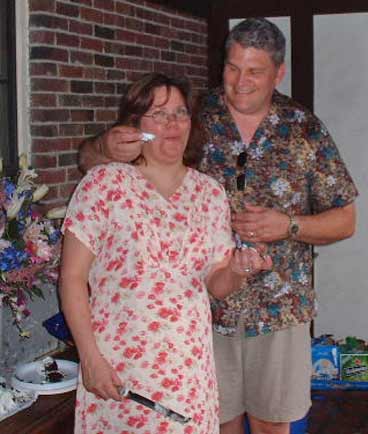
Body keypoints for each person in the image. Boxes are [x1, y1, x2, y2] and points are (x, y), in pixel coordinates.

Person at [79, 18, 358, 434]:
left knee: (271, 426)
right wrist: (103, 146)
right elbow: (94, 162)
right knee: (214, 424)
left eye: (254, 70)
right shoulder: (190, 114)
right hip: (198, 317)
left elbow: (346, 219)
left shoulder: (305, 128)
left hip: (278, 309)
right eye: (232, 67)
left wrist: (289, 226)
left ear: (278, 72)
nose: (240, 81)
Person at [60, 72, 272, 434]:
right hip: (118, 370)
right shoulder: (104, 183)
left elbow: (217, 284)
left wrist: (239, 270)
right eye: (159, 114)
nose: (172, 123)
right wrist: (90, 358)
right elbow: (72, 277)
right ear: (134, 125)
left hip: (188, 371)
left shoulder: (209, 194)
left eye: (179, 112)